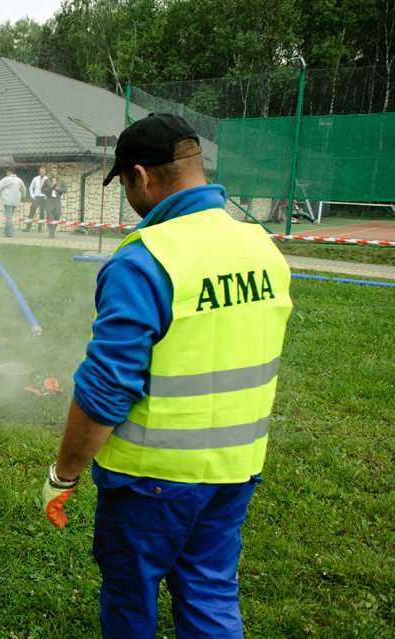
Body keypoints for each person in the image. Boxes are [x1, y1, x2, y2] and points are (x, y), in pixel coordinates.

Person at [41, 114, 293, 639]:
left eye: (127, 185)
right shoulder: (263, 248)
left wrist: (63, 474)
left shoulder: (144, 260)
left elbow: (106, 390)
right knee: (209, 591)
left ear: (142, 176)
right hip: (234, 470)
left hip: (150, 481)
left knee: (131, 598)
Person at [0, 166, 25, 237]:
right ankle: (6, 232)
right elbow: (23, 189)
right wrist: (23, 196)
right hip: (15, 201)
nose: (6, 172)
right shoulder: (19, 180)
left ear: (10, 172)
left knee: (9, 217)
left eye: (6, 171)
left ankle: (10, 233)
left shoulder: (6, 179)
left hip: (8, 201)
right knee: (9, 217)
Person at [41, 174, 66, 238]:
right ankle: (51, 233)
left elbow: (65, 190)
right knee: (50, 216)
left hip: (57, 201)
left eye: (55, 181)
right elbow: (42, 190)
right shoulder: (47, 181)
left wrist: (57, 189)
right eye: (52, 181)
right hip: (49, 200)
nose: (54, 182)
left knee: (57, 217)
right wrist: (50, 188)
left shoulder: (61, 182)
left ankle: (52, 231)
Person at [25, 166, 48, 232]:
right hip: (36, 197)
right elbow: (31, 188)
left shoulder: (47, 179)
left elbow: (49, 189)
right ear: (39, 172)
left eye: (43, 171)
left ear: (45, 172)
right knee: (32, 212)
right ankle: (27, 228)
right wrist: (32, 196)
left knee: (42, 213)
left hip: (43, 198)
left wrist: (47, 196)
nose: (42, 172)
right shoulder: (35, 179)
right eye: (41, 171)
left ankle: (40, 229)